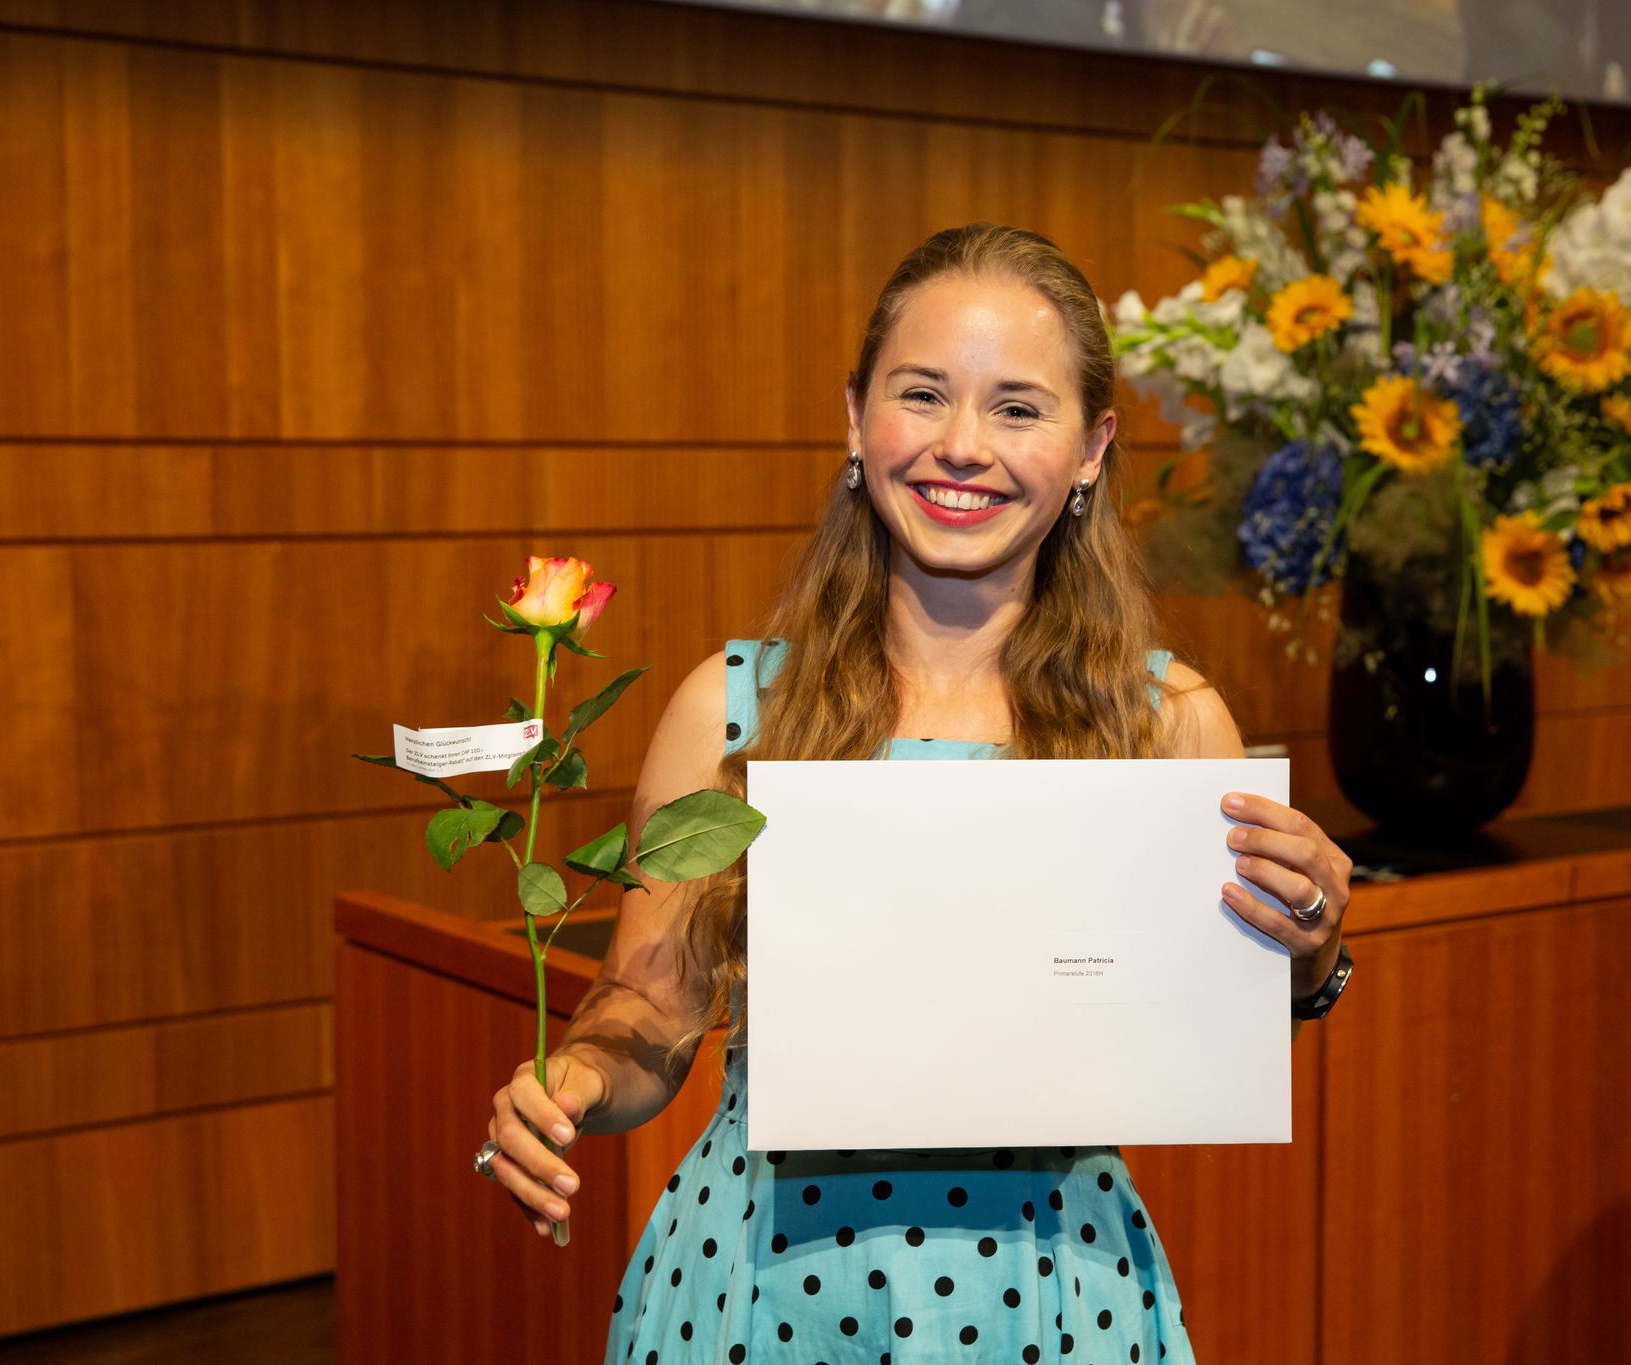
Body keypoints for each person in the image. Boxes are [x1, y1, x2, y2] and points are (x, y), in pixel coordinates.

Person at [481, 223, 1353, 1363]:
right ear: (856, 417)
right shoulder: (731, 710)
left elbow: (1215, 1023)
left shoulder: (1169, 722)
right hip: (759, 1291)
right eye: (923, 394)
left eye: (1017, 408)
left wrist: (1310, 951)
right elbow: (648, 1008)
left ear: (1091, 449)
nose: (961, 446)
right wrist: (576, 1077)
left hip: (1053, 1297)